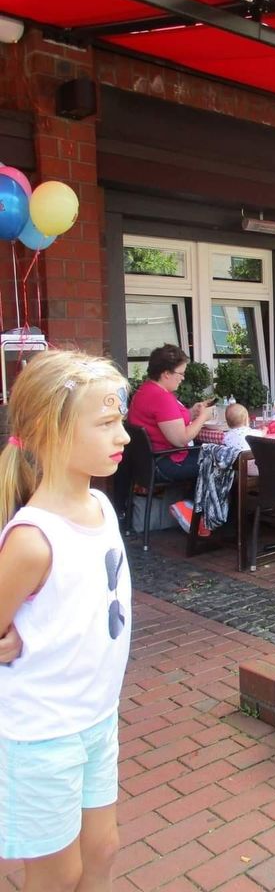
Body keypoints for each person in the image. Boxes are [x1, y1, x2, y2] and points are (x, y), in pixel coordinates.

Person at [0, 350, 132, 889]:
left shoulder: (102, 507)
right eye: (105, 423)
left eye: (118, 419)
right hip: (41, 732)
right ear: (52, 433)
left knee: (102, 851)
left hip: (97, 717)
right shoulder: (32, 540)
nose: (122, 435)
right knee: (59, 873)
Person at [127, 343, 215, 482]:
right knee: (221, 461)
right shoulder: (161, 397)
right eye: (180, 373)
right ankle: (197, 503)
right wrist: (203, 417)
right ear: (166, 373)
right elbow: (180, 439)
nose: (183, 378)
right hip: (166, 462)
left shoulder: (146, 390)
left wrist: (192, 413)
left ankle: (190, 501)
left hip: (146, 463)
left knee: (213, 454)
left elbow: (166, 421)